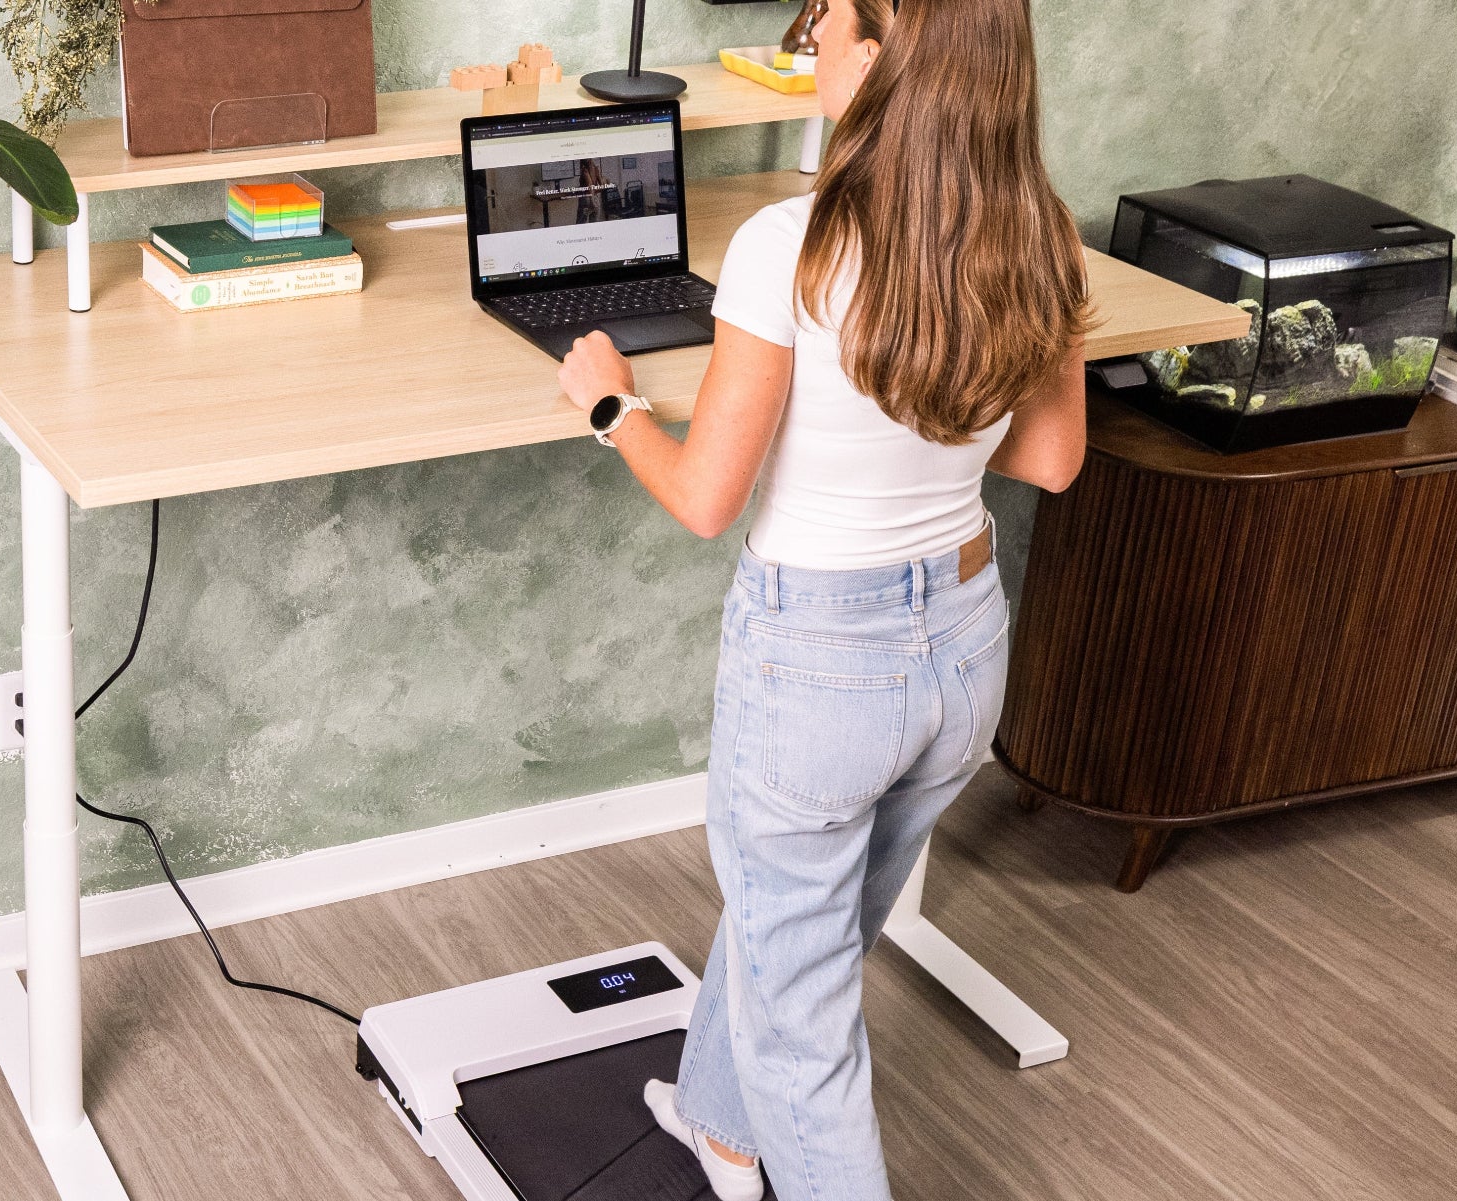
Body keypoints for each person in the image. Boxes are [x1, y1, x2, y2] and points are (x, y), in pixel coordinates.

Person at [555, 0, 1090, 1196]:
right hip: (961, 651)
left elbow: (705, 497)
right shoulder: (1036, 233)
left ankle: (767, 1128)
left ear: (888, 48)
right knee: (808, 926)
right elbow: (1051, 459)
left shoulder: (790, 245)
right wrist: (918, 422)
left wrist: (611, 405)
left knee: (802, 1026)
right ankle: (723, 1131)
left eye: (830, 24)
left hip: (820, 669)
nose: (812, 49)